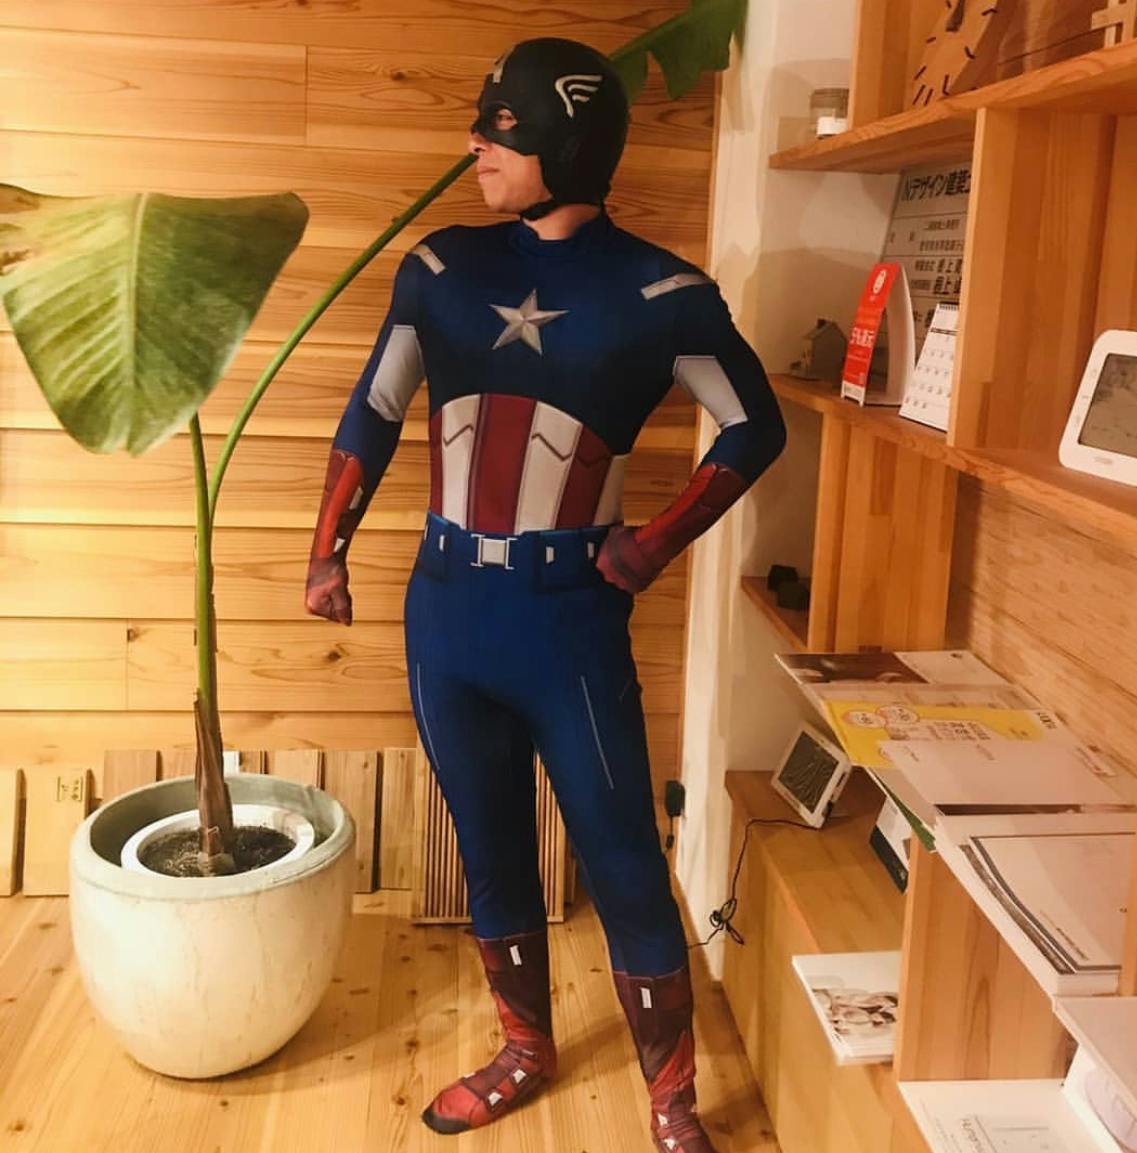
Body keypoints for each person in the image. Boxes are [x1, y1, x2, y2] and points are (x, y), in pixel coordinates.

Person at [305, 37, 785, 1153]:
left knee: (621, 853)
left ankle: (672, 1099)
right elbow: (374, 407)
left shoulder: (662, 293)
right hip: (448, 612)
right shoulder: (439, 268)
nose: (477, 143)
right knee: (488, 845)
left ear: (567, 145)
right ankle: (525, 1047)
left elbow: (755, 424)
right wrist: (326, 549)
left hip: (568, 620)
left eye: (503, 129)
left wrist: (653, 546)